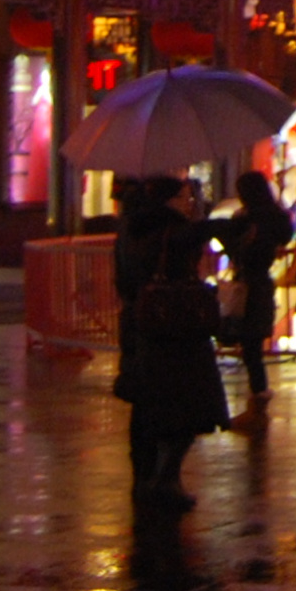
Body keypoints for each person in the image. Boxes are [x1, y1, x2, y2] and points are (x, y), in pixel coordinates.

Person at [118, 217, 228, 514]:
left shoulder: (130, 229)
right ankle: (166, 478)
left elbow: (122, 279)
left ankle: (144, 478)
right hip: (180, 329)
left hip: (143, 326)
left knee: (146, 409)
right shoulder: (175, 230)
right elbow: (215, 231)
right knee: (185, 409)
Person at [214, 169, 296, 426]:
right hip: (262, 282)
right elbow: (284, 234)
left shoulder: (244, 218)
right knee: (254, 341)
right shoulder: (276, 216)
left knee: (246, 339)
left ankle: (258, 398)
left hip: (246, 282)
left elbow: (231, 245)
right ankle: (259, 394)